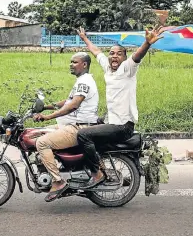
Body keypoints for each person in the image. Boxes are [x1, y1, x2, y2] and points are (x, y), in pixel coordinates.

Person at [76, 25, 164, 189]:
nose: (114, 56)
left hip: (122, 126)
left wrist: (147, 43)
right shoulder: (108, 68)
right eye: (112, 53)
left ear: (124, 57)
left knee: (83, 135)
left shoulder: (127, 69)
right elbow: (96, 52)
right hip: (112, 121)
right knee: (87, 127)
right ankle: (103, 171)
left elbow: (137, 56)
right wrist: (84, 38)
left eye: (119, 54)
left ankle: (96, 174)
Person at [33, 52, 99, 202]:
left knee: (42, 142)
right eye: (71, 62)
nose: (71, 64)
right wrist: (46, 107)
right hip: (71, 125)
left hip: (79, 127)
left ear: (84, 65)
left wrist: (47, 117)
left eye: (75, 62)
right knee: (37, 133)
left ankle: (57, 181)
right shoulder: (82, 81)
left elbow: (73, 106)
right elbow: (68, 101)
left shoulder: (84, 82)